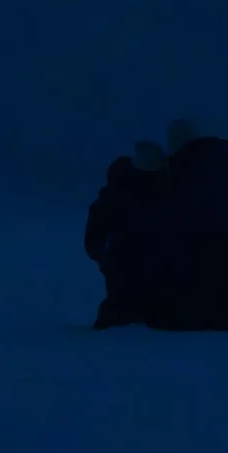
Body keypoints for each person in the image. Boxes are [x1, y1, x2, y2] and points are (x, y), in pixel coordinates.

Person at [143, 118, 228, 330]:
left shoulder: (190, 165)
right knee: (196, 310)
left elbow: (179, 212)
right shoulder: (224, 161)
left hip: (207, 249)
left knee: (184, 316)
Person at [84, 140, 169, 328]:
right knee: (122, 302)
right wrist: (100, 254)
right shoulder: (120, 193)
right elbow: (96, 228)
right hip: (125, 258)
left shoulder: (121, 190)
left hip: (141, 259)